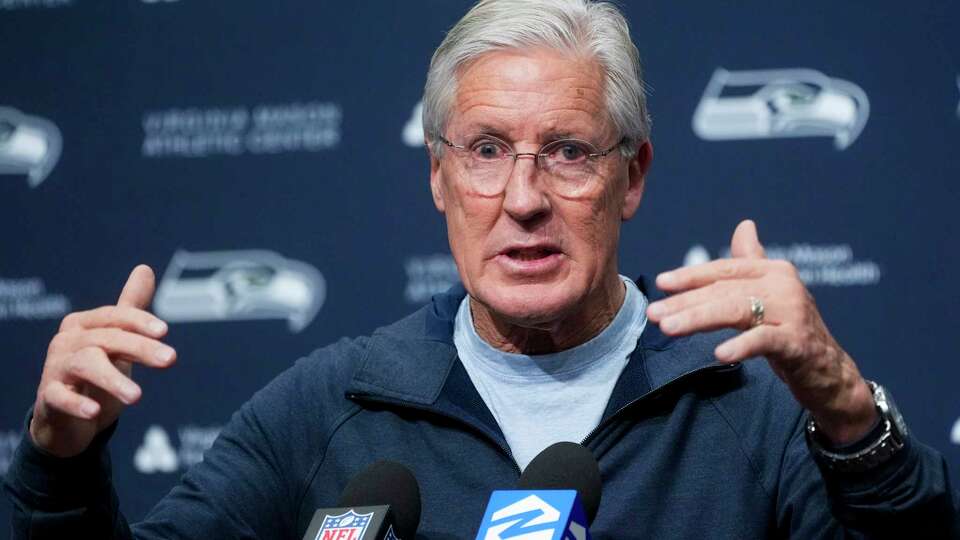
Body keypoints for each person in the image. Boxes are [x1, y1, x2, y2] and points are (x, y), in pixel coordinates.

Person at [5, 0, 959, 538]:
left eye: (570, 151)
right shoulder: (331, 405)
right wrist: (57, 467)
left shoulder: (745, 407)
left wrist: (844, 409)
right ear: (438, 177)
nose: (524, 197)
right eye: (487, 150)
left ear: (634, 178)